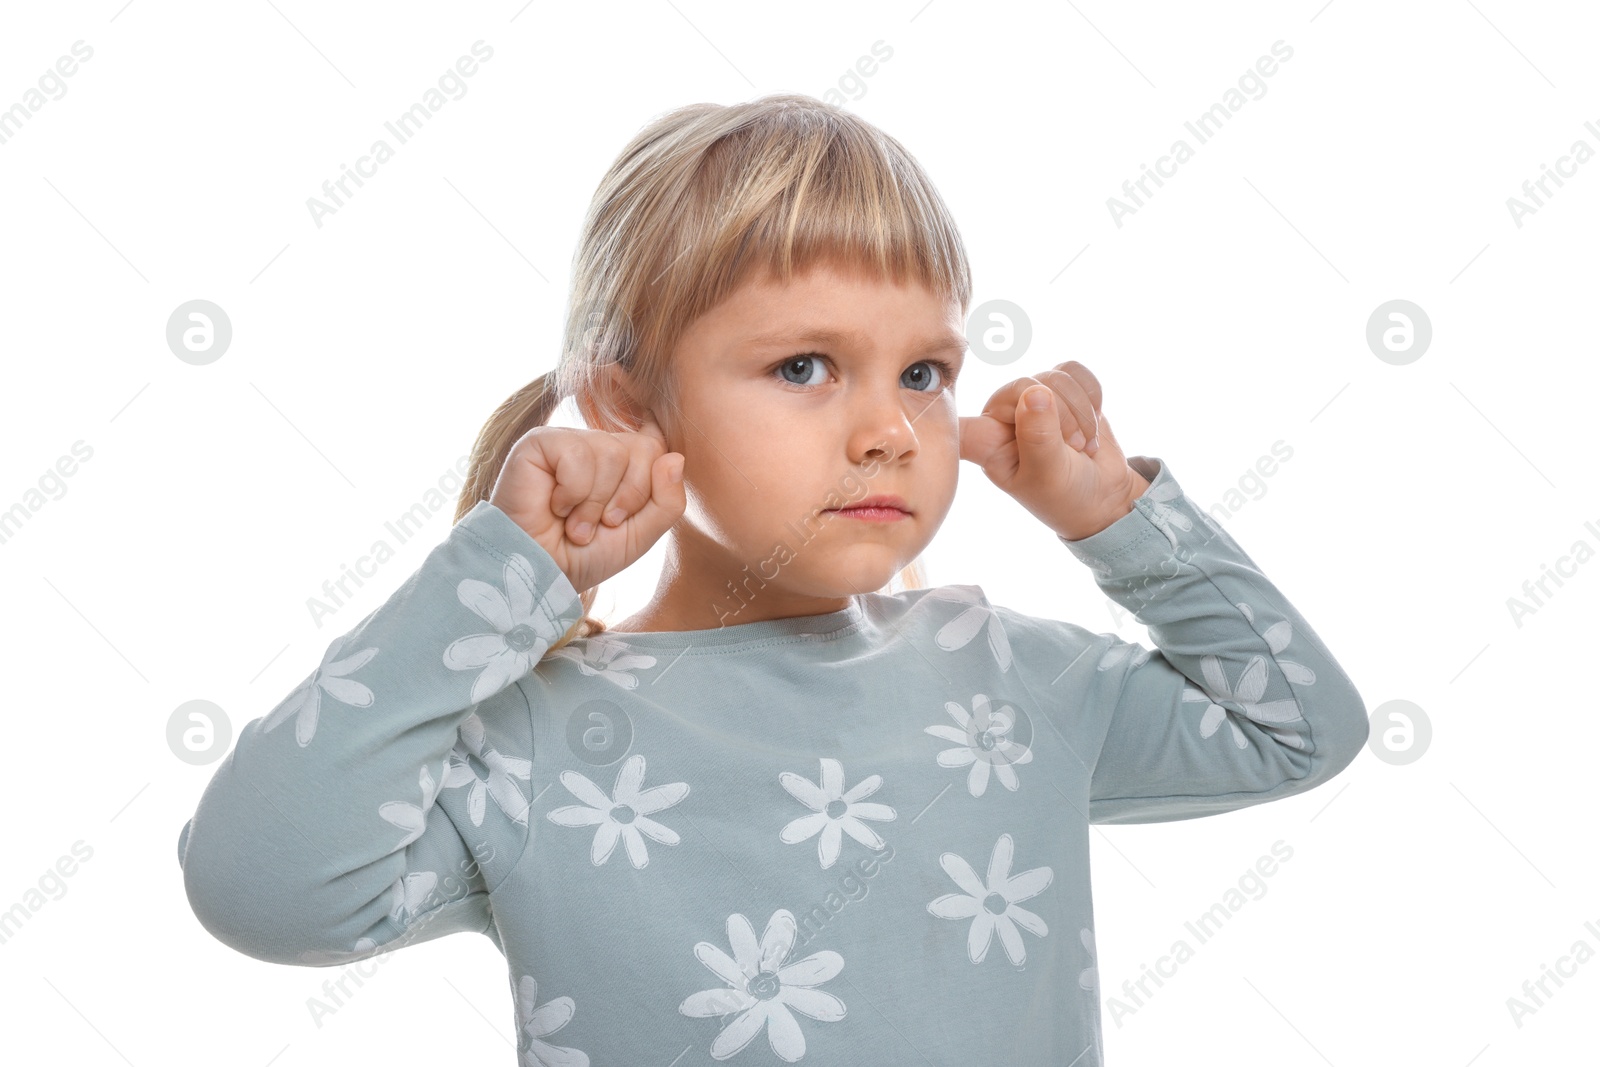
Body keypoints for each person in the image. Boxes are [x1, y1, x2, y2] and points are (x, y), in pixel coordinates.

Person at [177, 92, 1369, 1066]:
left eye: (922, 371)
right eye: (804, 364)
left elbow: (1299, 728)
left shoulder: (1011, 680)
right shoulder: (536, 737)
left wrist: (1112, 516)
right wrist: (495, 580)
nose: (891, 429)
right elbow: (259, 887)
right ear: (630, 401)